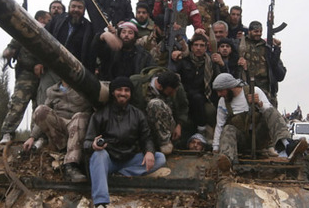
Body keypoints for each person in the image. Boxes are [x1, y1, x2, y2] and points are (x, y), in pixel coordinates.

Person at [84, 77, 166, 208]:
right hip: (108, 159)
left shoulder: (137, 114)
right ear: (112, 92)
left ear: (130, 93)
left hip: (129, 158)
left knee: (159, 158)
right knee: (98, 155)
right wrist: (93, 145)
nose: (123, 93)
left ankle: (123, 173)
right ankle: (101, 202)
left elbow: (146, 138)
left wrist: (149, 152)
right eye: (119, 90)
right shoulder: (100, 114)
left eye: (126, 90)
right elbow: (86, 142)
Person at [212, 73, 308, 172]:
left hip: (259, 137)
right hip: (241, 141)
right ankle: (227, 161)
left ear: (230, 87)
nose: (219, 94)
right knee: (228, 128)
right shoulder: (223, 102)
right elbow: (219, 125)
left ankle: (288, 145)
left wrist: (259, 103)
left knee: (270, 111)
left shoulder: (254, 91)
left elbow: (269, 111)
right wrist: (215, 148)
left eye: (220, 91)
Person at [23, 80, 93, 183]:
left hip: (78, 124)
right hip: (60, 127)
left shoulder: (84, 87)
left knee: (80, 117)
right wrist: (32, 137)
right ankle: (63, 148)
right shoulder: (52, 91)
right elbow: (43, 114)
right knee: (40, 110)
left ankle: (71, 165)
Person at [0, 10, 52, 144]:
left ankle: (35, 136)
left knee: (39, 106)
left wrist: (42, 64)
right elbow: (14, 44)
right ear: (40, 18)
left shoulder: (51, 33)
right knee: (18, 103)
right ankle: (8, 132)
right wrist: (9, 51)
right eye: (47, 18)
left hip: (43, 74)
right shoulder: (26, 29)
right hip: (26, 73)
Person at [35, 0, 95, 105]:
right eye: (73, 6)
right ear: (69, 7)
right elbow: (42, 38)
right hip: (51, 68)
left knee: (66, 104)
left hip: (72, 74)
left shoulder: (89, 28)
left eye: (79, 7)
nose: (76, 10)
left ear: (84, 10)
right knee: (44, 102)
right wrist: (39, 62)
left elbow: (91, 52)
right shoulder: (57, 20)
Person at [130, 67, 189, 154]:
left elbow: (183, 106)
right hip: (142, 122)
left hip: (167, 124)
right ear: (160, 86)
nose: (172, 94)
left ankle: (165, 141)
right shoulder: (137, 83)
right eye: (169, 93)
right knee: (155, 104)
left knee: (156, 104)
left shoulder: (176, 86)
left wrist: (179, 125)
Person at [174, 34, 220, 141]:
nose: (198, 48)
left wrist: (221, 64)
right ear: (191, 46)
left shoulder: (211, 63)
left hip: (204, 98)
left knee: (208, 109)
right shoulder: (183, 61)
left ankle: (202, 130)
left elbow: (219, 81)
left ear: (206, 47)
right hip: (185, 96)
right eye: (196, 45)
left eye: (202, 45)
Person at [240, 21, 286, 107]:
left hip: (266, 88)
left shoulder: (266, 46)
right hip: (248, 85)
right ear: (249, 31)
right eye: (256, 31)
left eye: (260, 31)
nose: (259, 34)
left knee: (269, 115)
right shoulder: (242, 44)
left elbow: (276, 67)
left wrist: (277, 48)